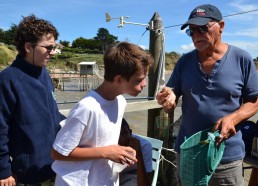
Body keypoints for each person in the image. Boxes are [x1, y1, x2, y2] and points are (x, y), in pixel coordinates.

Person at [156, 4, 258, 186]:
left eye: (203, 28)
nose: (196, 35)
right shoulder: (184, 62)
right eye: (192, 31)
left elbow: (254, 101)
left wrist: (233, 118)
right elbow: (171, 97)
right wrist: (168, 100)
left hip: (226, 154)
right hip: (189, 153)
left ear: (221, 26)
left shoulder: (242, 59)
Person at [51, 41, 153, 186]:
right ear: (119, 79)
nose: (144, 84)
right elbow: (58, 153)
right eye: (139, 80)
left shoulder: (120, 102)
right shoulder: (86, 108)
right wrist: (106, 152)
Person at [0, 15, 65, 185]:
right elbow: (0, 130)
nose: (53, 52)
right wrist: (3, 171)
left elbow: (52, 114)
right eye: (48, 48)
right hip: (28, 175)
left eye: (54, 47)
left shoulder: (44, 73)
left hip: (56, 167)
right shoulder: (7, 80)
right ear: (28, 47)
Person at [118, 118, 153, 186]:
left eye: (124, 133)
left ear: (130, 132)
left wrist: (139, 155)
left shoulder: (143, 145)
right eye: (117, 134)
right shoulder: (108, 146)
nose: (121, 139)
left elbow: (146, 184)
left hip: (132, 176)